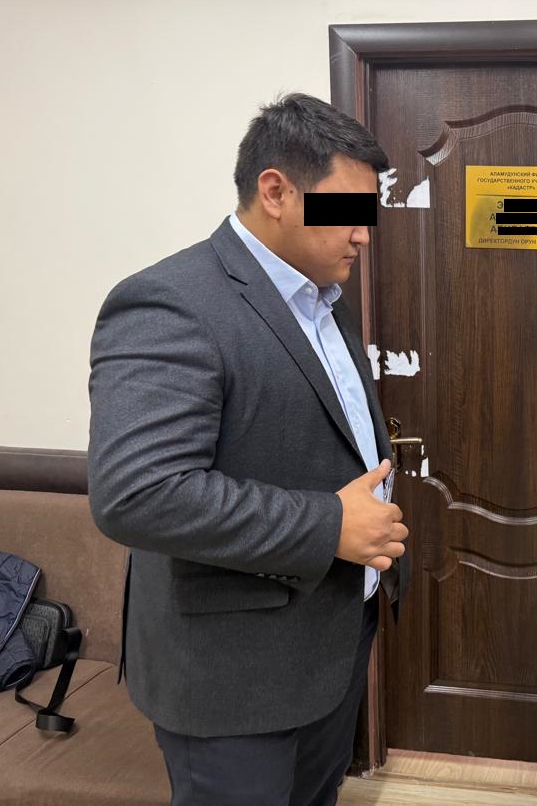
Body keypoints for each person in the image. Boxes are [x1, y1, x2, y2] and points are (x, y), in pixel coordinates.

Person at [87, 93, 408, 806]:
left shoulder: (325, 299)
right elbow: (137, 494)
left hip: (329, 644)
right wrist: (330, 524)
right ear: (275, 191)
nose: (363, 234)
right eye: (347, 211)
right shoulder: (170, 303)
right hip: (232, 677)